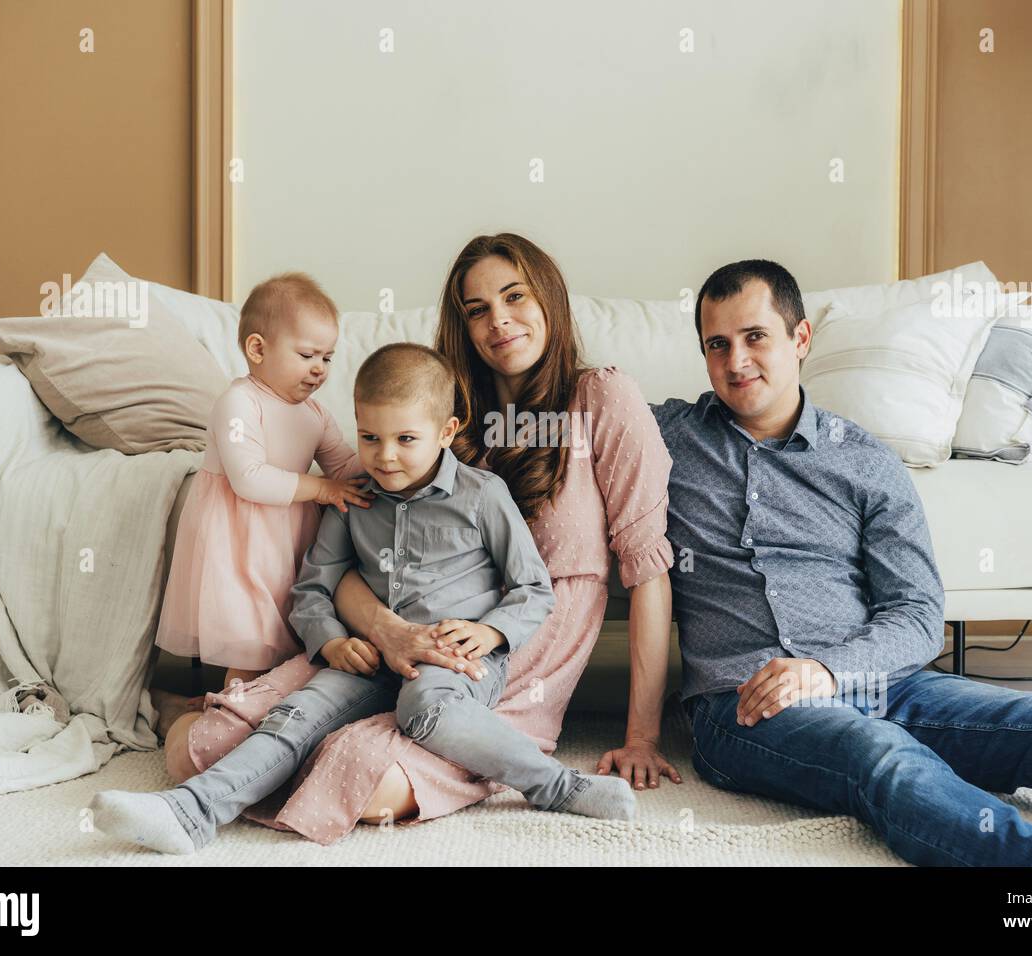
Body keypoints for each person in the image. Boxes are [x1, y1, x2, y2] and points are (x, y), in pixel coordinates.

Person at [653, 257, 1032, 867]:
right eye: (716, 345)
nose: (736, 361)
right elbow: (568, 410)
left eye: (755, 338)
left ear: (800, 339)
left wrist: (828, 670)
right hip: (743, 704)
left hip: (886, 684)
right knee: (885, 757)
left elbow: (916, 611)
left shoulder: (865, 459)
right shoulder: (669, 436)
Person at [158, 233, 680, 846]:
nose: (499, 321)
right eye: (477, 309)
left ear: (551, 300)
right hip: (384, 643)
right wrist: (384, 630)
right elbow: (348, 547)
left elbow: (647, 565)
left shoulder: (601, 398)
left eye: (515, 297)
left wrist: (642, 738)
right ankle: (194, 723)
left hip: (510, 656)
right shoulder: (423, 419)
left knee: (366, 782)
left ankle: (301, 748)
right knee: (196, 749)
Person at [91, 343, 635, 853]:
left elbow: (534, 588)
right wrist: (329, 643)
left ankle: (556, 786)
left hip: (454, 661)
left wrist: (490, 632)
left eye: (405, 439)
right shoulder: (355, 499)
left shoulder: (481, 495)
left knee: (425, 706)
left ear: (446, 431)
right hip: (367, 657)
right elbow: (312, 587)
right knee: (295, 714)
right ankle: (191, 812)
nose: (384, 456)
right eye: (369, 437)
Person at [154, 273, 372, 693]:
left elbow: (343, 466)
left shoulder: (314, 413)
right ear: (257, 348)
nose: (319, 369)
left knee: (287, 640)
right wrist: (323, 489)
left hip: (289, 541)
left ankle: (267, 714)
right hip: (239, 544)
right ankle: (229, 712)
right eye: (308, 354)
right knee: (251, 646)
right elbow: (249, 478)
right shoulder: (239, 402)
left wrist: (387, 462)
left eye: (327, 358)